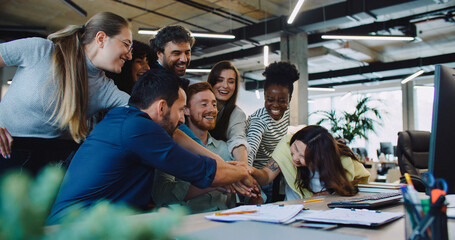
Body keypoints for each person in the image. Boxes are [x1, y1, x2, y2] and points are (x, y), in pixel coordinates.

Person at [47, 69, 257, 225]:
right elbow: (206, 172)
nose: (183, 119)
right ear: (162, 107)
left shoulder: (124, 118)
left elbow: (175, 134)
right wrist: (241, 171)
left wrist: (221, 164)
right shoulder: (140, 129)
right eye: (181, 110)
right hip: (75, 230)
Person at [0, 12, 131, 174]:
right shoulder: (40, 50)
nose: (130, 55)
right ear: (101, 38)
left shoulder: (105, 88)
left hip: (45, 168)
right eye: (126, 44)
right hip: (4, 152)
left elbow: (143, 111)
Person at [153, 82, 239, 213]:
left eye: (214, 104)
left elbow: (236, 197)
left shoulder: (225, 148)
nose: (211, 109)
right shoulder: (171, 148)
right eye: (204, 104)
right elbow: (161, 196)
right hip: (188, 226)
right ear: (186, 110)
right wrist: (214, 181)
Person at [250, 125, 370, 201]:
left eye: (303, 157)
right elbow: (266, 176)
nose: (295, 158)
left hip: (322, 212)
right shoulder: (286, 144)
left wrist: (331, 193)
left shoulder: (343, 160)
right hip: (291, 209)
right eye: (295, 148)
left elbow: (359, 183)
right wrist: (250, 170)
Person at [245, 61, 299, 202]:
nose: (275, 105)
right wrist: (249, 179)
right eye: (270, 99)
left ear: (289, 99)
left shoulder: (285, 112)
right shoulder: (259, 121)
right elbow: (249, 151)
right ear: (264, 96)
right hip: (258, 175)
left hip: (276, 171)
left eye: (282, 100)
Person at [207, 61, 249, 164]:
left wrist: (243, 165)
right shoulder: (197, 106)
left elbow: (237, 139)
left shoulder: (237, 114)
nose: (225, 86)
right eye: (220, 80)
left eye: (230, 81)